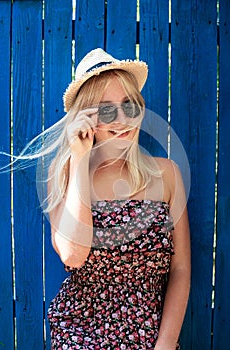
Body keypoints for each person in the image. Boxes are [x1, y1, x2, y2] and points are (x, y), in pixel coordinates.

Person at [46, 48, 191, 349]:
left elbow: (180, 269)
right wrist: (79, 159)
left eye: (130, 106)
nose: (123, 119)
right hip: (80, 332)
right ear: (85, 117)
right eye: (107, 110)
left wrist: (165, 343)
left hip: (151, 334)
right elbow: (73, 255)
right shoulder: (63, 176)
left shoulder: (167, 176)